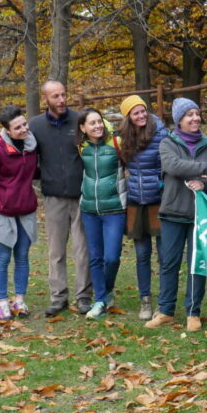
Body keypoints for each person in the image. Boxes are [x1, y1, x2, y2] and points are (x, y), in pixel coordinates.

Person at [146, 98, 207, 332]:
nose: (195, 118)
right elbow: (173, 166)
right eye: (189, 114)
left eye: (197, 113)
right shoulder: (167, 143)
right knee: (169, 263)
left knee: (196, 265)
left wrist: (206, 185)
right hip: (172, 212)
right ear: (179, 119)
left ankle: (193, 312)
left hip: (201, 215)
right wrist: (205, 169)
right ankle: (165, 311)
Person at [28, 81, 93, 315]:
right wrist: (41, 181)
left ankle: (84, 296)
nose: (62, 100)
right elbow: (26, 156)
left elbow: (97, 145)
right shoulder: (35, 125)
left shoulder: (78, 120)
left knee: (82, 249)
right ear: (46, 99)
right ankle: (58, 297)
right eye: (56, 96)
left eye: (64, 94)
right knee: (56, 251)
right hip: (53, 197)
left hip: (81, 195)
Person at [0, 105, 38, 320]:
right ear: (7, 130)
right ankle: (3, 301)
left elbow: (34, 172)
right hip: (2, 212)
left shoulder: (32, 145)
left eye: (24, 124)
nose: (23, 129)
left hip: (26, 210)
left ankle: (19, 299)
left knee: (22, 257)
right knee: (3, 258)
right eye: (17, 127)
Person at [117, 95, 167, 320]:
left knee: (164, 254)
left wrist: (160, 184)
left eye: (143, 111)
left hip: (158, 201)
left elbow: (167, 164)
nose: (141, 116)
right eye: (135, 113)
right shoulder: (123, 138)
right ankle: (145, 299)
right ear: (128, 117)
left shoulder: (160, 134)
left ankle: (165, 302)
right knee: (142, 254)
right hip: (136, 202)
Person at [76, 108, 127, 320]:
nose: (97, 126)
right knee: (95, 258)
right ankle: (100, 300)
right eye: (92, 123)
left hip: (115, 209)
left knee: (112, 257)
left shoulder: (116, 144)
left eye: (99, 121)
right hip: (89, 210)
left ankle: (107, 290)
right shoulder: (81, 147)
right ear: (83, 128)